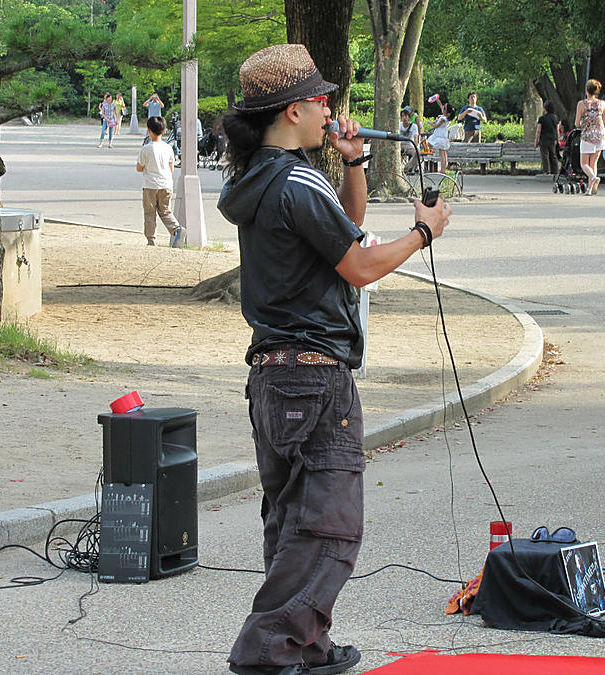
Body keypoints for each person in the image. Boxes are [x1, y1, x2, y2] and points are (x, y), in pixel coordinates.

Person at [217, 43, 451, 675]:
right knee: (330, 526)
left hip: (275, 376)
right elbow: (360, 264)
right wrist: (425, 231)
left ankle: (304, 647)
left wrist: (354, 165)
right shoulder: (295, 180)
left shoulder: (262, 176)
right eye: (322, 101)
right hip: (314, 376)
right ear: (294, 110)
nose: (332, 111)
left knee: (294, 520)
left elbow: (337, 232)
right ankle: (266, 652)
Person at [136, 115, 182, 247]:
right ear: (164, 131)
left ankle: (151, 240)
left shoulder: (146, 149)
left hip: (150, 185)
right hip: (166, 184)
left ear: (149, 130)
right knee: (165, 211)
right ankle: (176, 229)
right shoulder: (168, 148)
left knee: (150, 213)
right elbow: (171, 168)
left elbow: (139, 168)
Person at [575, 78, 605, 195]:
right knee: (593, 163)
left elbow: (577, 122)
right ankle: (590, 189)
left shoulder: (582, 104)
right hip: (600, 135)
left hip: (587, 134)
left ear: (587, 90)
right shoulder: (602, 103)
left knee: (584, 163)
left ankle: (593, 178)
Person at [534, 100, 560, 175]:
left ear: (545, 108)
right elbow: (557, 130)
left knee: (545, 155)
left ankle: (546, 171)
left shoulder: (542, 118)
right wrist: (557, 140)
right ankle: (555, 171)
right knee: (553, 155)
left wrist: (536, 141)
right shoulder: (555, 118)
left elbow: (538, 131)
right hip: (552, 139)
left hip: (544, 139)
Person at [428, 103, 454, 173]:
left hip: (440, 136)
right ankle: (444, 168)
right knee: (444, 153)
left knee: (442, 154)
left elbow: (436, 126)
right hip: (444, 136)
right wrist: (437, 100)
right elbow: (441, 106)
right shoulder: (447, 118)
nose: (442, 108)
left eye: (443, 108)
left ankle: (442, 169)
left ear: (445, 111)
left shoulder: (443, 118)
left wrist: (429, 123)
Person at [399, 106, 419, 174]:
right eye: (403, 116)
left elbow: (416, 138)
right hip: (399, 144)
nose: (404, 118)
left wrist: (416, 147)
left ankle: (406, 169)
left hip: (409, 145)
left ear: (409, 117)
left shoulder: (414, 126)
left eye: (406, 116)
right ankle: (399, 169)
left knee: (417, 153)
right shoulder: (399, 125)